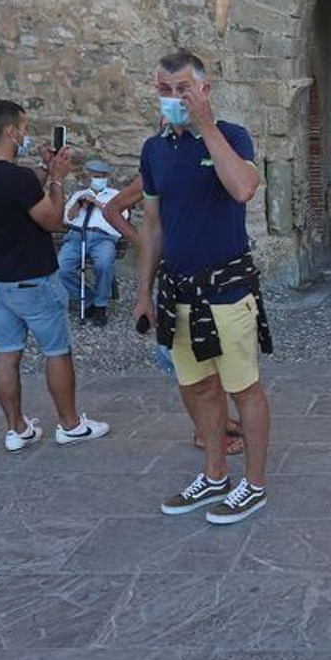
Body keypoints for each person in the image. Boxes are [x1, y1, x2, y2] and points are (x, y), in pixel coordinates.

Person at [136, 49, 275, 525]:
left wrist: (206, 126)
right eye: (164, 90)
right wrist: (142, 293)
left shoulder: (231, 136)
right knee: (196, 388)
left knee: (244, 389)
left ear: (203, 91)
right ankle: (215, 475)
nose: (173, 99)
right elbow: (152, 224)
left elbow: (242, 188)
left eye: (183, 90)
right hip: (176, 294)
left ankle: (253, 485)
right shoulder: (154, 150)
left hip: (228, 290)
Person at [0, 99, 111, 452]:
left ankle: (16, 429)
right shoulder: (15, 177)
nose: (26, 135)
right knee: (57, 352)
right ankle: (71, 424)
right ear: (10, 131)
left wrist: (43, 170)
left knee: (8, 353)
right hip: (34, 279)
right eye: (24, 129)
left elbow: (19, 196)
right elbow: (53, 220)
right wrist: (57, 179)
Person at [106, 173, 246, 456]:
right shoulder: (157, 169)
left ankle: (214, 422)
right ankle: (203, 432)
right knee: (188, 365)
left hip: (213, 279)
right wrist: (145, 244)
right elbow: (112, 210)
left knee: (212, 361)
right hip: (177, 282)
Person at [57, 158, 125, 326]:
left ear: (108, 177)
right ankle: (88, 300)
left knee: (103, 264)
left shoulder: (115, 196)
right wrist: (79, 206)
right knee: (61, 268)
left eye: (102, 176)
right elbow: (67, 218)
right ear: (88, 177)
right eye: (96, 176)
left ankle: (100, 306)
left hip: (103, 238)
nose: (99, 179)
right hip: (77, 236)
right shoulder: (79, 195)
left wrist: (99, 204)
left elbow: (123, 218)